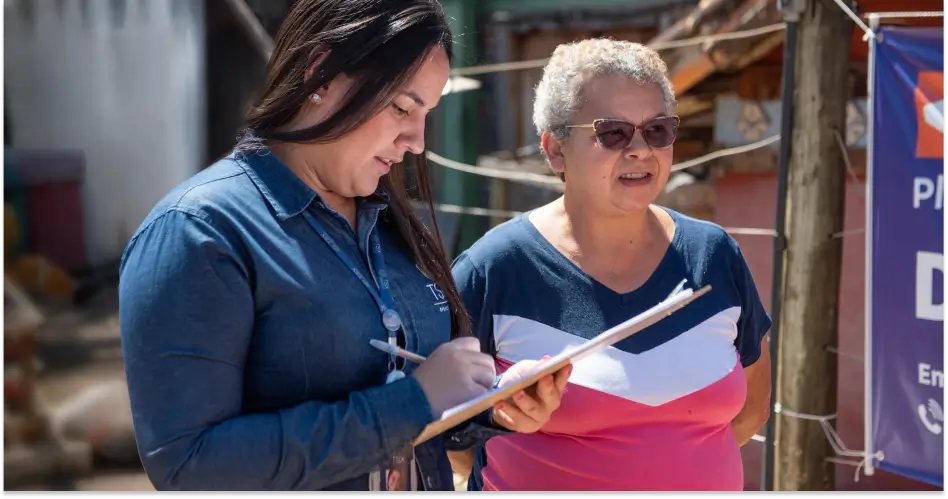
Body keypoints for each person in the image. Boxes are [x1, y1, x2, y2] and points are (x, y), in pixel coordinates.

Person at [118, 0, 569, 492]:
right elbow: (189, 467)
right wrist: (412, 402)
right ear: (321, 74)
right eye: (402, 107)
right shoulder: (199, 232)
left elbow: (428, 406)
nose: (417, 141)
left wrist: (493, 405)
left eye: (427, 114)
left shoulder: (389, 222)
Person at [451, 39, 773, 492]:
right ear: (555, 150)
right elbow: (446, 436)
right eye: (613, 133)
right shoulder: (494, 268)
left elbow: (753, 408)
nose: (641, 149)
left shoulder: (714, 254)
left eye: (657, 130)